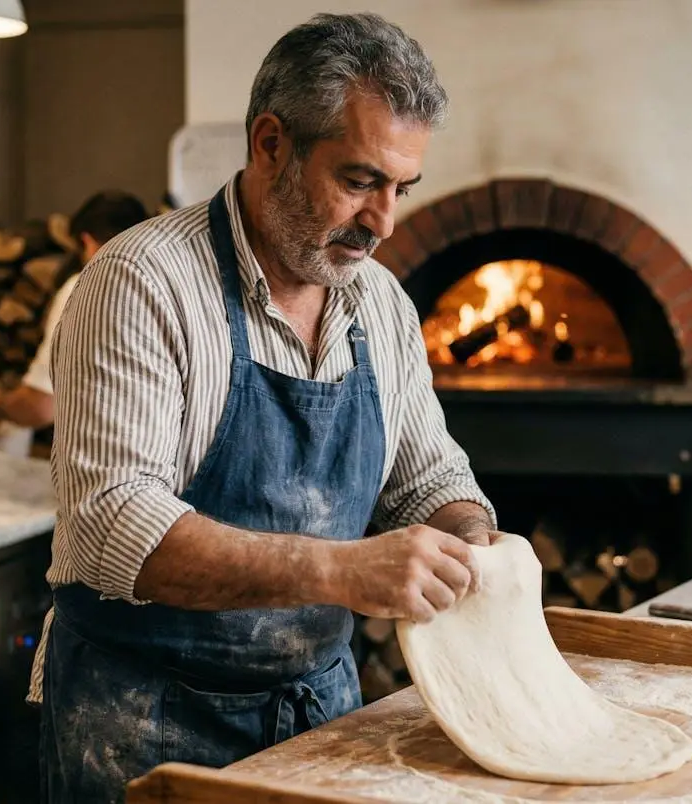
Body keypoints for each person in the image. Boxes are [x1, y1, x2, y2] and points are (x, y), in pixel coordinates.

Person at [31, 13, 498, 802]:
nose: (382, 223)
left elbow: (428, 477)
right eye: (358, 182)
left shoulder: (378, 303)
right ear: (271, 144)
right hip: (144, 726)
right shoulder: (141, 281)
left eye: (400, 189)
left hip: (318, 716)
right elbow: (112, 522)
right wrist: (345, 571)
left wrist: (474, 542)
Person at [0, 190, 150, 433]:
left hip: (114, 460)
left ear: (86, 242)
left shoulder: (86, 288)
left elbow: (41, 405)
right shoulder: (171, 287)